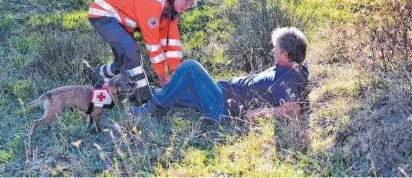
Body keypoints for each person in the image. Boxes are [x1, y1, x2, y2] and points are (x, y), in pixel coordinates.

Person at [130, 27, 309, 122]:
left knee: (190, 67)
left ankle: (149, 108)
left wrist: (259, 113)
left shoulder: (286, 77)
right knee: (175, 92)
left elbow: (293, 111)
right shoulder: (296, 67)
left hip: (221, 107)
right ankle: (138, 93)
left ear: (285, 54)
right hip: (220, 92)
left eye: (276, 48)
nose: (272, 50)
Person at [88, 0, 203, 103]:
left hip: (117, 18)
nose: (188, 7)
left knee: (126, 60)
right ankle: (143, 98)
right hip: (102, 13)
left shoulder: (171, 11)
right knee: (131, 52)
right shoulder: (154, 4)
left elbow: (172, 46)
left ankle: (98, 75)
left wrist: (176, 76)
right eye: (187, 1)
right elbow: (153, 44)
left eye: (191, 4)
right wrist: (163, 78)